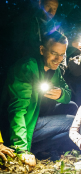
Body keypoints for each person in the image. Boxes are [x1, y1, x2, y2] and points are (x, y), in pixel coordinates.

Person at [1, 31, 77, 166]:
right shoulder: (27, 68)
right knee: (73, 123)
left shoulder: (55, 69)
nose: (58, 59)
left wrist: (61, 94)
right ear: (42, 50)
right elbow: (17, 111)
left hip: (37, 116)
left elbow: (67, 92)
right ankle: (28, 148)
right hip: (24, 124)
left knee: (72, 106)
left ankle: (41, 150)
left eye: (62, 54)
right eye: (54, 53)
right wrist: (21, 149)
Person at [13, 0, 66, 71]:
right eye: (48, 6)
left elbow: (62, 52)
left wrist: (61, 69)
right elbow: (19, 48)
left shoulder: (58, 28)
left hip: (50, 71)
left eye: (54, 9)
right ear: (40, 3)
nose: (51, 12)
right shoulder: (27, 23)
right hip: (30, 69)